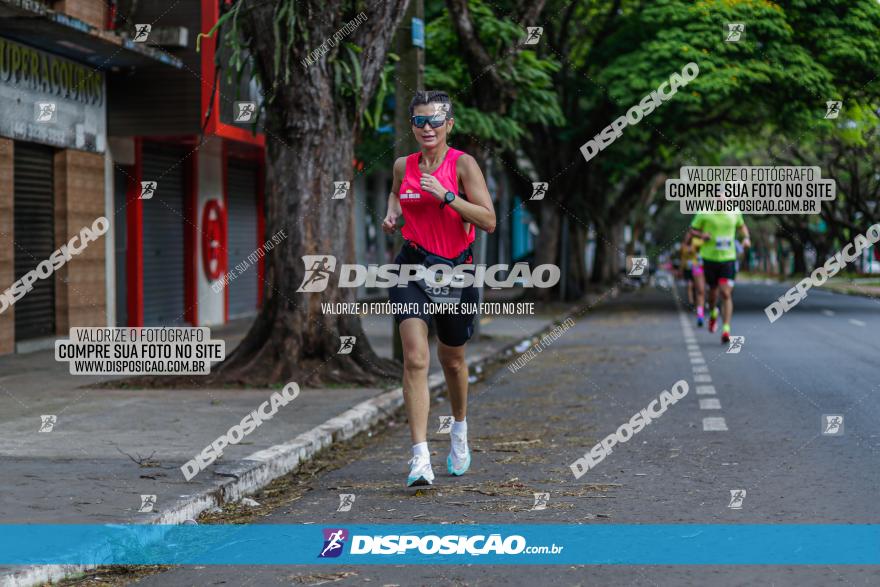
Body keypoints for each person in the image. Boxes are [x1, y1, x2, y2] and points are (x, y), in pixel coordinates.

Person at [382, 90, 496, 487]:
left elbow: (488, 220)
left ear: (449, 124)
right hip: (412, 266)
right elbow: (397, 192)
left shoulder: (463, 165)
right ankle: (419, 457)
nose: (427, 127)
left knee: (452, 360)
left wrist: (446, 196)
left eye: (435, 120)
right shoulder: (403, 165)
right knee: (415, 357)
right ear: (412, 126)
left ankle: (460, 429)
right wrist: (393, 211)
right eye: (419, 121)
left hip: (456, 270)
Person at [689, 212, 750, 343]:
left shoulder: (735, 212)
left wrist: (746, 238)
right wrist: (702, 235)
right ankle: (713, 312)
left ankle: (726, 329)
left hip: (728, 259)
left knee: (726, 293)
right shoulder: (704, 212)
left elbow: (742, 226)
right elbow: (692, 229)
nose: (720, 198)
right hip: (709, 258)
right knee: (713, 292)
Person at [679, 233, 705, 321]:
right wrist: (681, 269)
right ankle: (693, 305)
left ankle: (703, 308)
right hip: (691, 267)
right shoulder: (685, 245)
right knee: (692, 286)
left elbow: (704, 243)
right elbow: (683, 257)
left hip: (702, 267)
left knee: (702, 289)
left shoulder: (698, 241)